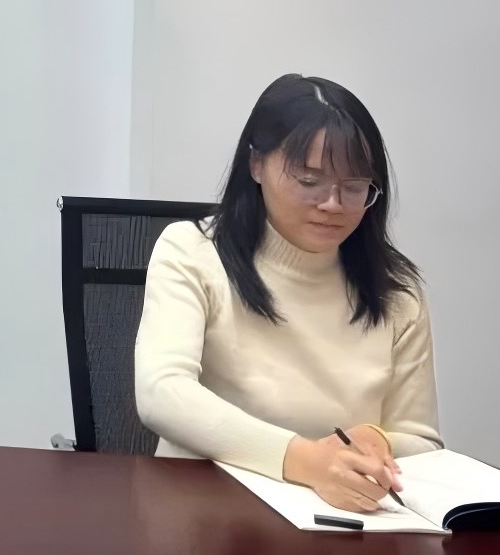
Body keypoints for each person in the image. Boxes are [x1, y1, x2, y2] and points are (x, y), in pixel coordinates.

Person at [135, 74, 440, 514]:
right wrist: (306, 461)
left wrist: (379, 440)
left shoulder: (396, 291)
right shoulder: (193, 253)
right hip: (207, 514)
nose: (333, 203)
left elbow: (422, 442)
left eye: (355, 187)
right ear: (256, 164)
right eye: (309, 180)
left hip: (342, 522)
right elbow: (162, 393)